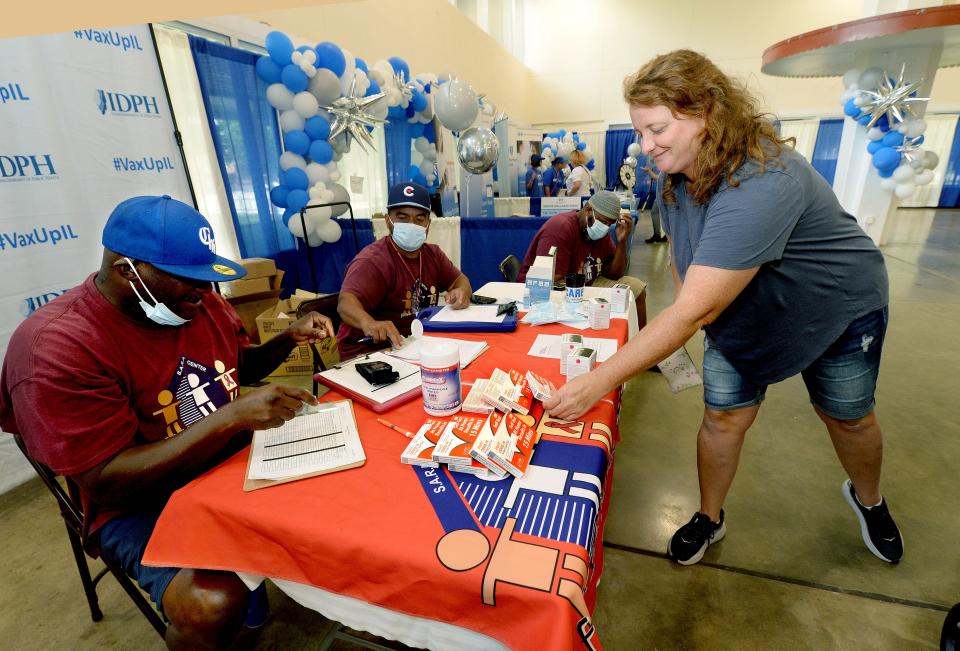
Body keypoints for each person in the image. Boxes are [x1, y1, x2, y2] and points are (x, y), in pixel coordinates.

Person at [544, 50, 902, 567]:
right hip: (744, 313)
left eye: (658, 129)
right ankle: (710, 517)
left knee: (847, 417)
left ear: (707, 112)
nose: (646, 146)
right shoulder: (674, 175)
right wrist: (682, 339)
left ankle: (870, 499)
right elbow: (687, 277)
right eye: (639, 132)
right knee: (721, 420)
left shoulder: (763, 178)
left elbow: (693, 311)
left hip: (835, 309)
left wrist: (597, 381)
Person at [0, 195, 335, 649]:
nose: (202, 292)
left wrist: (287, 338)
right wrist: (228, 419)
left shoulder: (198, 305)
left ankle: (258, 577)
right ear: (127, 271)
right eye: (186, 280)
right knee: (210, 607)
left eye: (204, 279)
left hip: (222, 459)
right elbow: (108, 483)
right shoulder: (58, 347)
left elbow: (236, 368)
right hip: (137, 498)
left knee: (342, 487)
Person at [337, 182, 472, 360]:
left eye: (419, 219)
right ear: (388, 221)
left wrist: (461, 292)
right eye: (402, 218)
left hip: (416, 344)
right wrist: (368, 323)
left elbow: (460, 281)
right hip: (370, 351)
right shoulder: (373, 261)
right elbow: (345, 303)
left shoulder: (433, 254)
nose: (412, 224)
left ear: (428, 223)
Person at [516, 190, 647, 328]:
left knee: (636, 289)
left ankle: (640, 341)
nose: (605, 228)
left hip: (588, 282)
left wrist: (622, 242)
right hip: (549, 289)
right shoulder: (561, 228)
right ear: (588, 210)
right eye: (603, 222)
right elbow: (552, 280)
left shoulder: (599, 232)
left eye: (610, 224)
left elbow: (615, 274)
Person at [639, 165, 667, 243]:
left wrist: (649, 171)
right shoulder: (667, 167)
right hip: (663, 194)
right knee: (661, 214)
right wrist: (648, 171)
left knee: (656, 212)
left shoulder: (668, 167)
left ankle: (659, 235)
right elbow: (657, 178)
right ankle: (661, 235)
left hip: (665, 194)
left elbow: (658, 179)